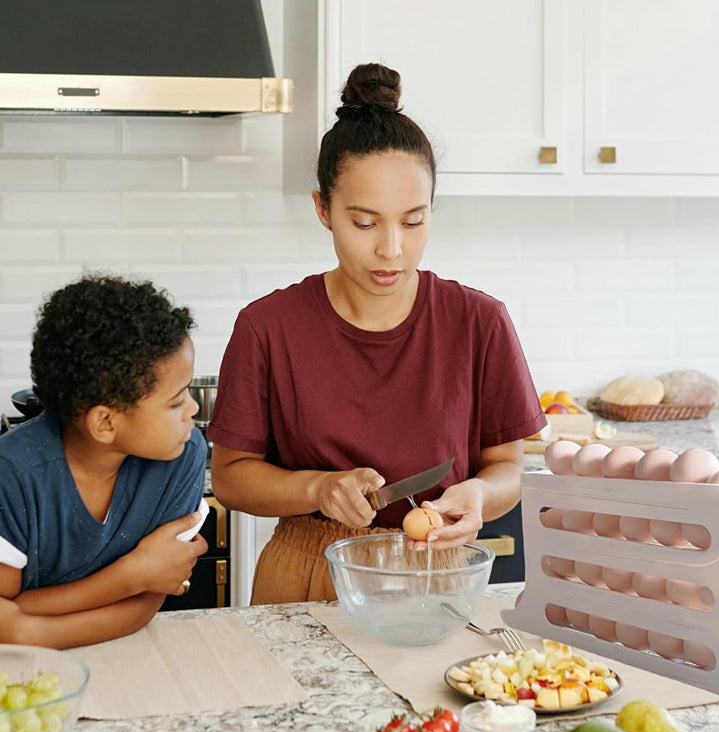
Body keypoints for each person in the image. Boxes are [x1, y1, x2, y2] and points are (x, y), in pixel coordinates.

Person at [208, 63, 545, 604]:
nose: (391, 249)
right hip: (307, 577)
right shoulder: (267, 327)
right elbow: (230, 477)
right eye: (365, 223)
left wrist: (478, 495)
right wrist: (316, 488)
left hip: (435, 577)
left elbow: (508, 466)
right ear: (323, 209)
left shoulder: (480, 322)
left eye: (413, 221)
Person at [0, 275, 209, 648]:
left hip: (127, 656)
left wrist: (27, 626)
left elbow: (145, 604)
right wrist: (131, 575)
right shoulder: (14, 475)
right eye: (176, 401)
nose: (192, 409)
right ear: (105, 422)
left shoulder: (183, 455)